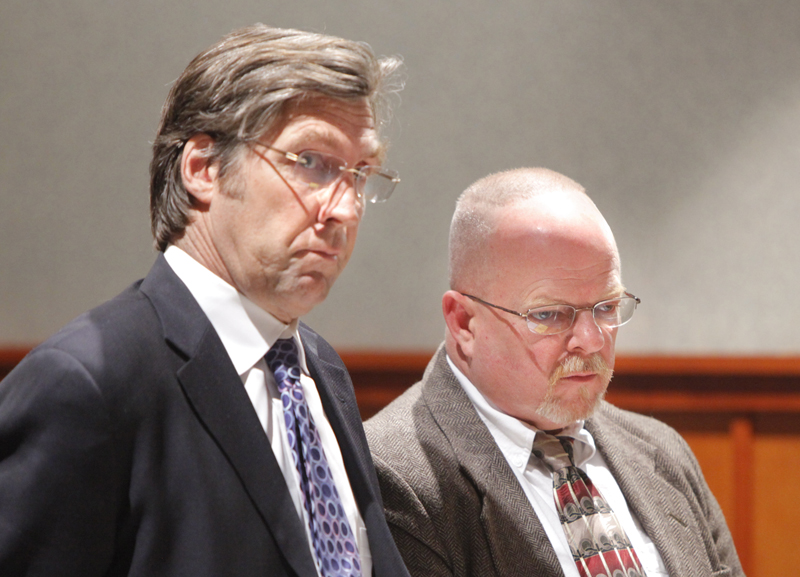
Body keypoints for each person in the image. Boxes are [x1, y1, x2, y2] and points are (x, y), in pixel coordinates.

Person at [0, 24, 410, 577]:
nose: (344, 209)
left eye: (360, 174)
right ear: (202, 169)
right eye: (312, 162)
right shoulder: (85, 382)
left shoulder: (320, 368)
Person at [365, 168, 744, 577]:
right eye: (548, 314)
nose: (591, 340)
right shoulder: (392, 474)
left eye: (607, 307)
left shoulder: (663, 452)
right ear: (463, 323)